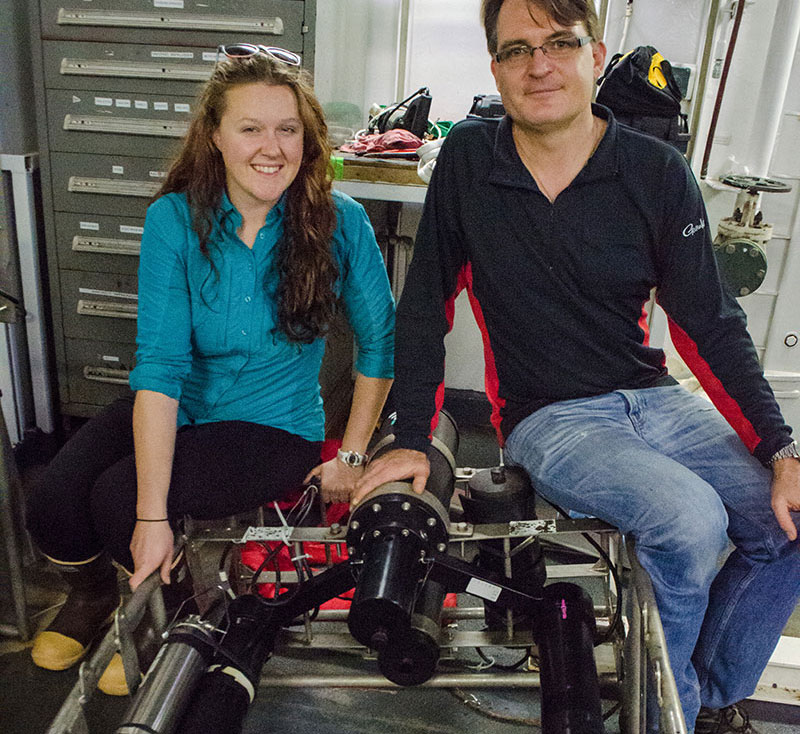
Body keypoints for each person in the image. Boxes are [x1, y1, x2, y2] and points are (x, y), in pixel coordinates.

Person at [354, 1, 800, 732]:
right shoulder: (470, 158)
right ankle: (669, 717)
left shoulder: (656, 171)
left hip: (654, 400)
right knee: (689, 523)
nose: (540, 65)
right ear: (495, 68)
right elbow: (424, 306)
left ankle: (697, 696)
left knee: (786, 523)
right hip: (550, 417)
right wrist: (408, 435)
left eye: (560, 43)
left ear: (595, 55)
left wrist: (779, 447)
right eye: (517, 50)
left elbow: (708, 323)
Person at [26, 46, 394, 695]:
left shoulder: (342, 223)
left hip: (273, 426)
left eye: (287, 129)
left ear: (307, 140)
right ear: (216, 136)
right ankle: (95, 600)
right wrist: (150, 517)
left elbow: (381, 342)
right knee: (55, 502)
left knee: (120, 499)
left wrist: (356, 454)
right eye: (250, 128)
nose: (270, 147)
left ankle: (168, 625)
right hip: (185, 405)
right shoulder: (175, 219)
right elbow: (161, 368)